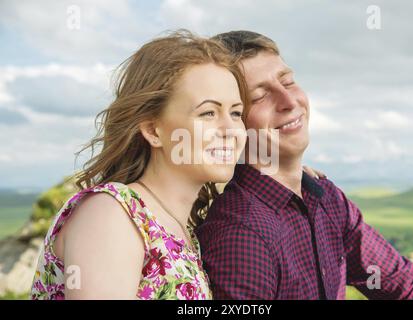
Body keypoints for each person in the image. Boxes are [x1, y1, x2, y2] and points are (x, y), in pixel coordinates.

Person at [195, 30, 413, 300]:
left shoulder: (326, 198)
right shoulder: (240, 234)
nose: (289, 101)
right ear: (232, 122)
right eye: (259, 96)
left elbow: (407, 286)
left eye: (289, 82)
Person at [30, 30, 249, 300]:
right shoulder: (112, 214)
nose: (231, 129)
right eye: (208, 113)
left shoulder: (183, 229)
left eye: (236, 113)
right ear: (153, 130)